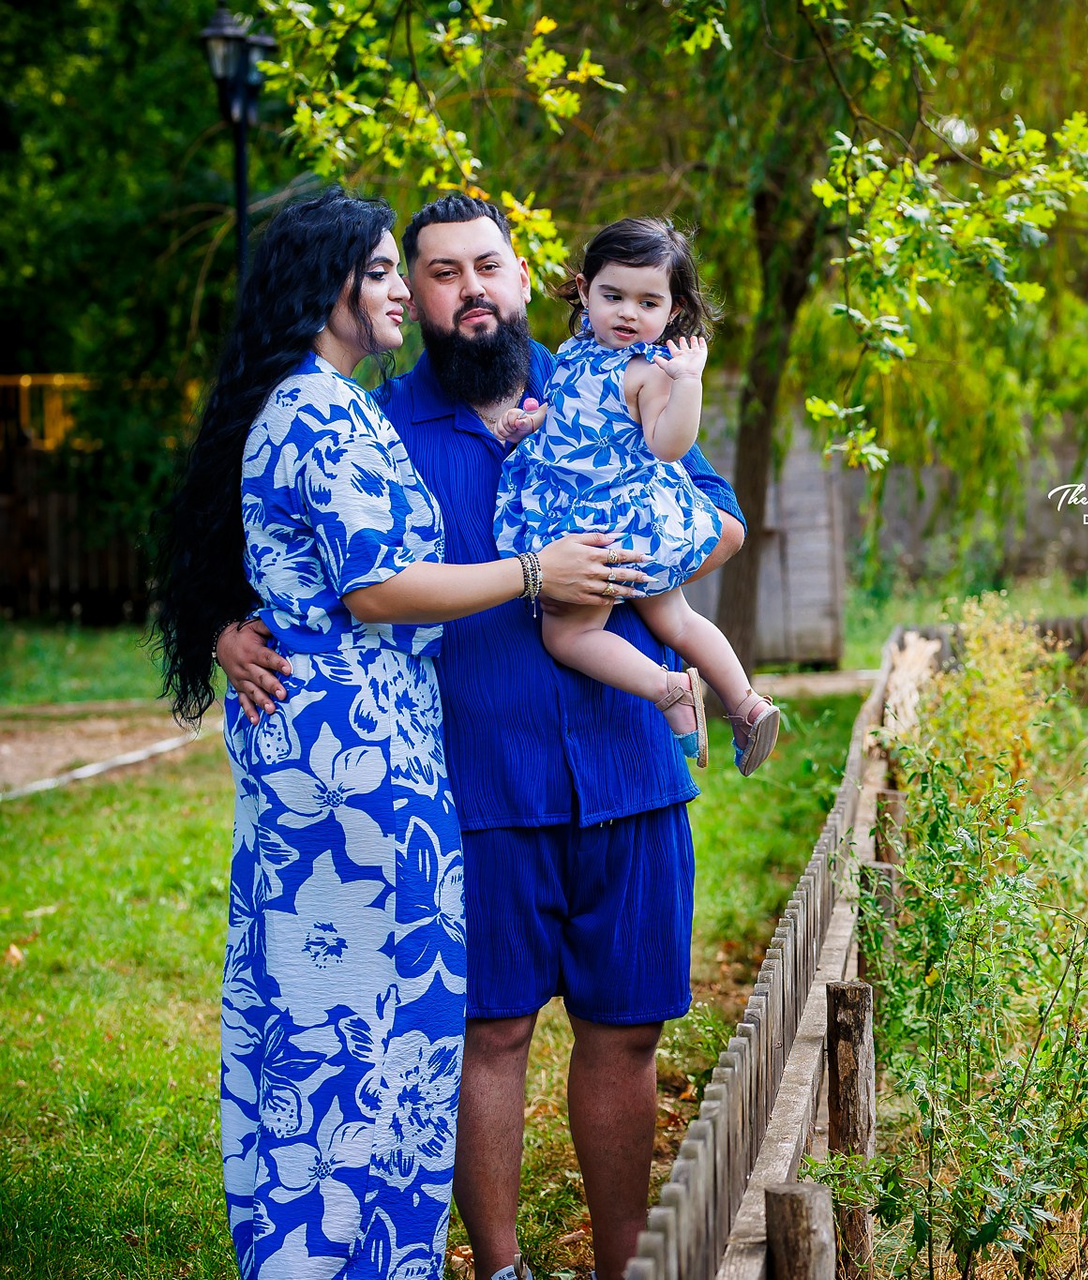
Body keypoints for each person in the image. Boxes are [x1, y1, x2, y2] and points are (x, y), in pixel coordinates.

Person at [215, 193, 746, 1280]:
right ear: (412, 291)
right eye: (440, 272)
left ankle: (624, 1265)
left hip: (628, 767)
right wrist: (221, 626)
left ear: (525, 277)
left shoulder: (612, 377)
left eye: (487, 267)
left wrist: (631, 551)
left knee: (628, 1032)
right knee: (490, 1032)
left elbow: (723, 520)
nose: (470, 292)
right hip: (478, 784)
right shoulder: (374, 423)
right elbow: (275, 543)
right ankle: (501, 1267)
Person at [495, 217, 780, 776]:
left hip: (603, 527)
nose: (628, 313)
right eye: (614, 296)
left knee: (568, 634)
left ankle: (668, 689)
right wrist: (533, 421)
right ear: (584, 290)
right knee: (676, 621)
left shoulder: (650, 373)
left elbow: (668, 445)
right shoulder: (575, 351)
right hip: (620, 520)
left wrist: (688, 384)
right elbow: (578, 415)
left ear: (674, 310)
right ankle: (747, 704)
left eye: (648, 303)